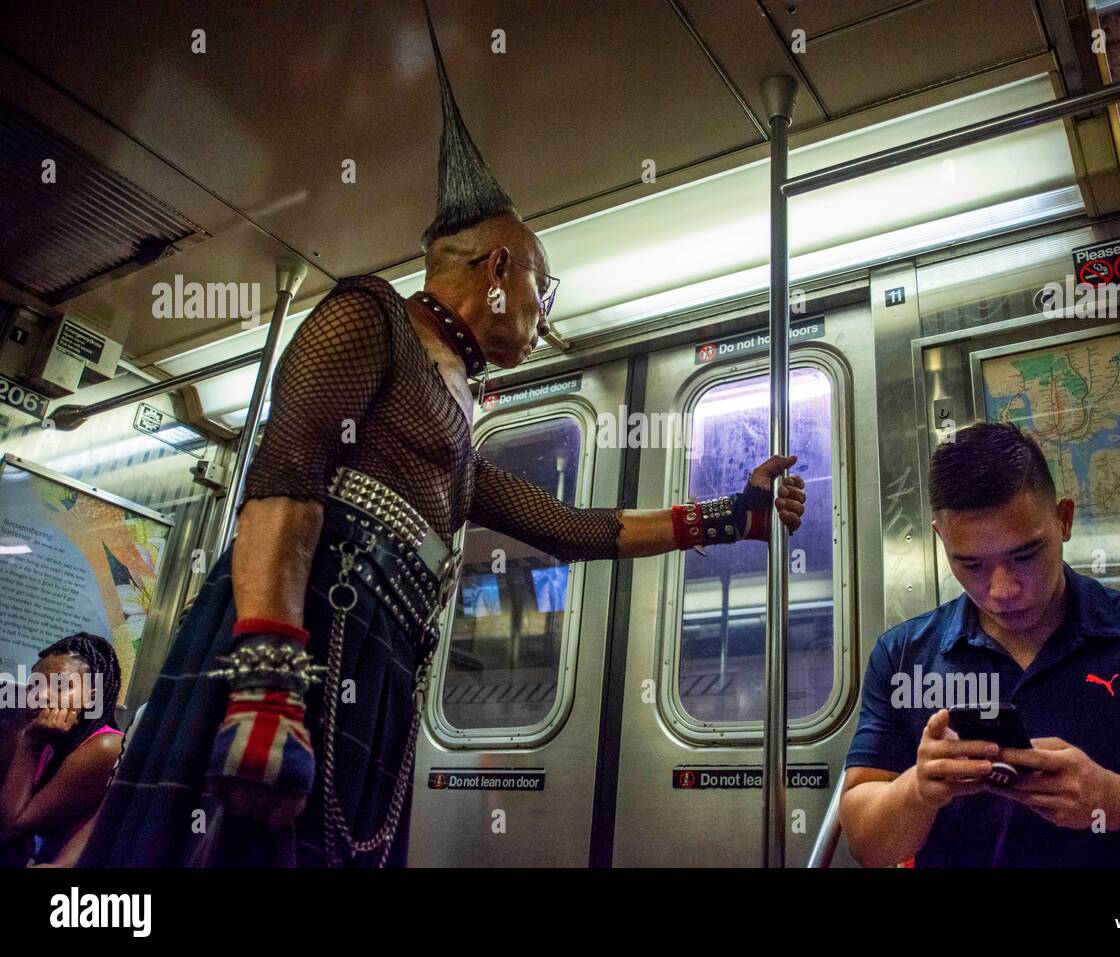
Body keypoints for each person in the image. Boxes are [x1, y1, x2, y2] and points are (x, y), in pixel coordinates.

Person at [78, 7, 806, 869]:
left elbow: (573, 530)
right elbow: (286, 477)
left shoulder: (457, 428)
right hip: (294, 646)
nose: (545, 312)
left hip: (371, 670)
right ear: (497, 269)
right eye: (544, 284)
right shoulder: (367, 317)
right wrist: (268, 676)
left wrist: (732, 516)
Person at [839, 423, 1120, 867]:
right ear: (942, 541)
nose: (1003, 589)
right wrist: (918, 790)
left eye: (1026, 555)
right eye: (971, 563)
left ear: (1064, 520)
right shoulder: (904, 656)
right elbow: (868, 847)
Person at [0, 633, 123, 867]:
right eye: (35, 685)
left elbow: (13, 825)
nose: (42, 695)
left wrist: (30, 742)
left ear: (91, 697)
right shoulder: (51, 739)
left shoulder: (105, 745)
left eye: (60, 686)